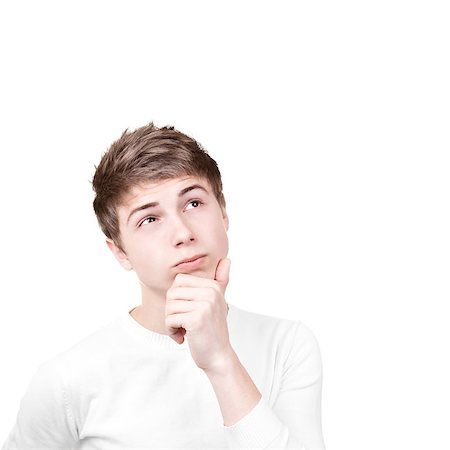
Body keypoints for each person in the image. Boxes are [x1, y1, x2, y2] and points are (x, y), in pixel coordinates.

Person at [2, 122, 326, 449]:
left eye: (194, 203)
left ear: (223, 212)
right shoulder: (67, 380)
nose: (183, 233)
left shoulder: (287, 345)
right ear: (119, 251)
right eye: (150, 219)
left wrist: (220, 360)